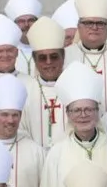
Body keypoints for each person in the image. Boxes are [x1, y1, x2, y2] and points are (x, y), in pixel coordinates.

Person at [64, 0, 107, 110]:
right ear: (79, 27)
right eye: (89, 23)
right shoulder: (66, 57)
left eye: (100, 23)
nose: (94, 28)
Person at [24, 17, 74, 148]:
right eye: (42, 58)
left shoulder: (74, 88)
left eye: (53, 56)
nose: (48, 62)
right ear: (34, 60)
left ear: (63, 57)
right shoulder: (26, 91)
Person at [2, 0, 42, 76]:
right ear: (14, 24)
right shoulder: (5, 53)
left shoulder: (46, 48)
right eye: (21, 21)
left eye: (31, 20)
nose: (26, 24)